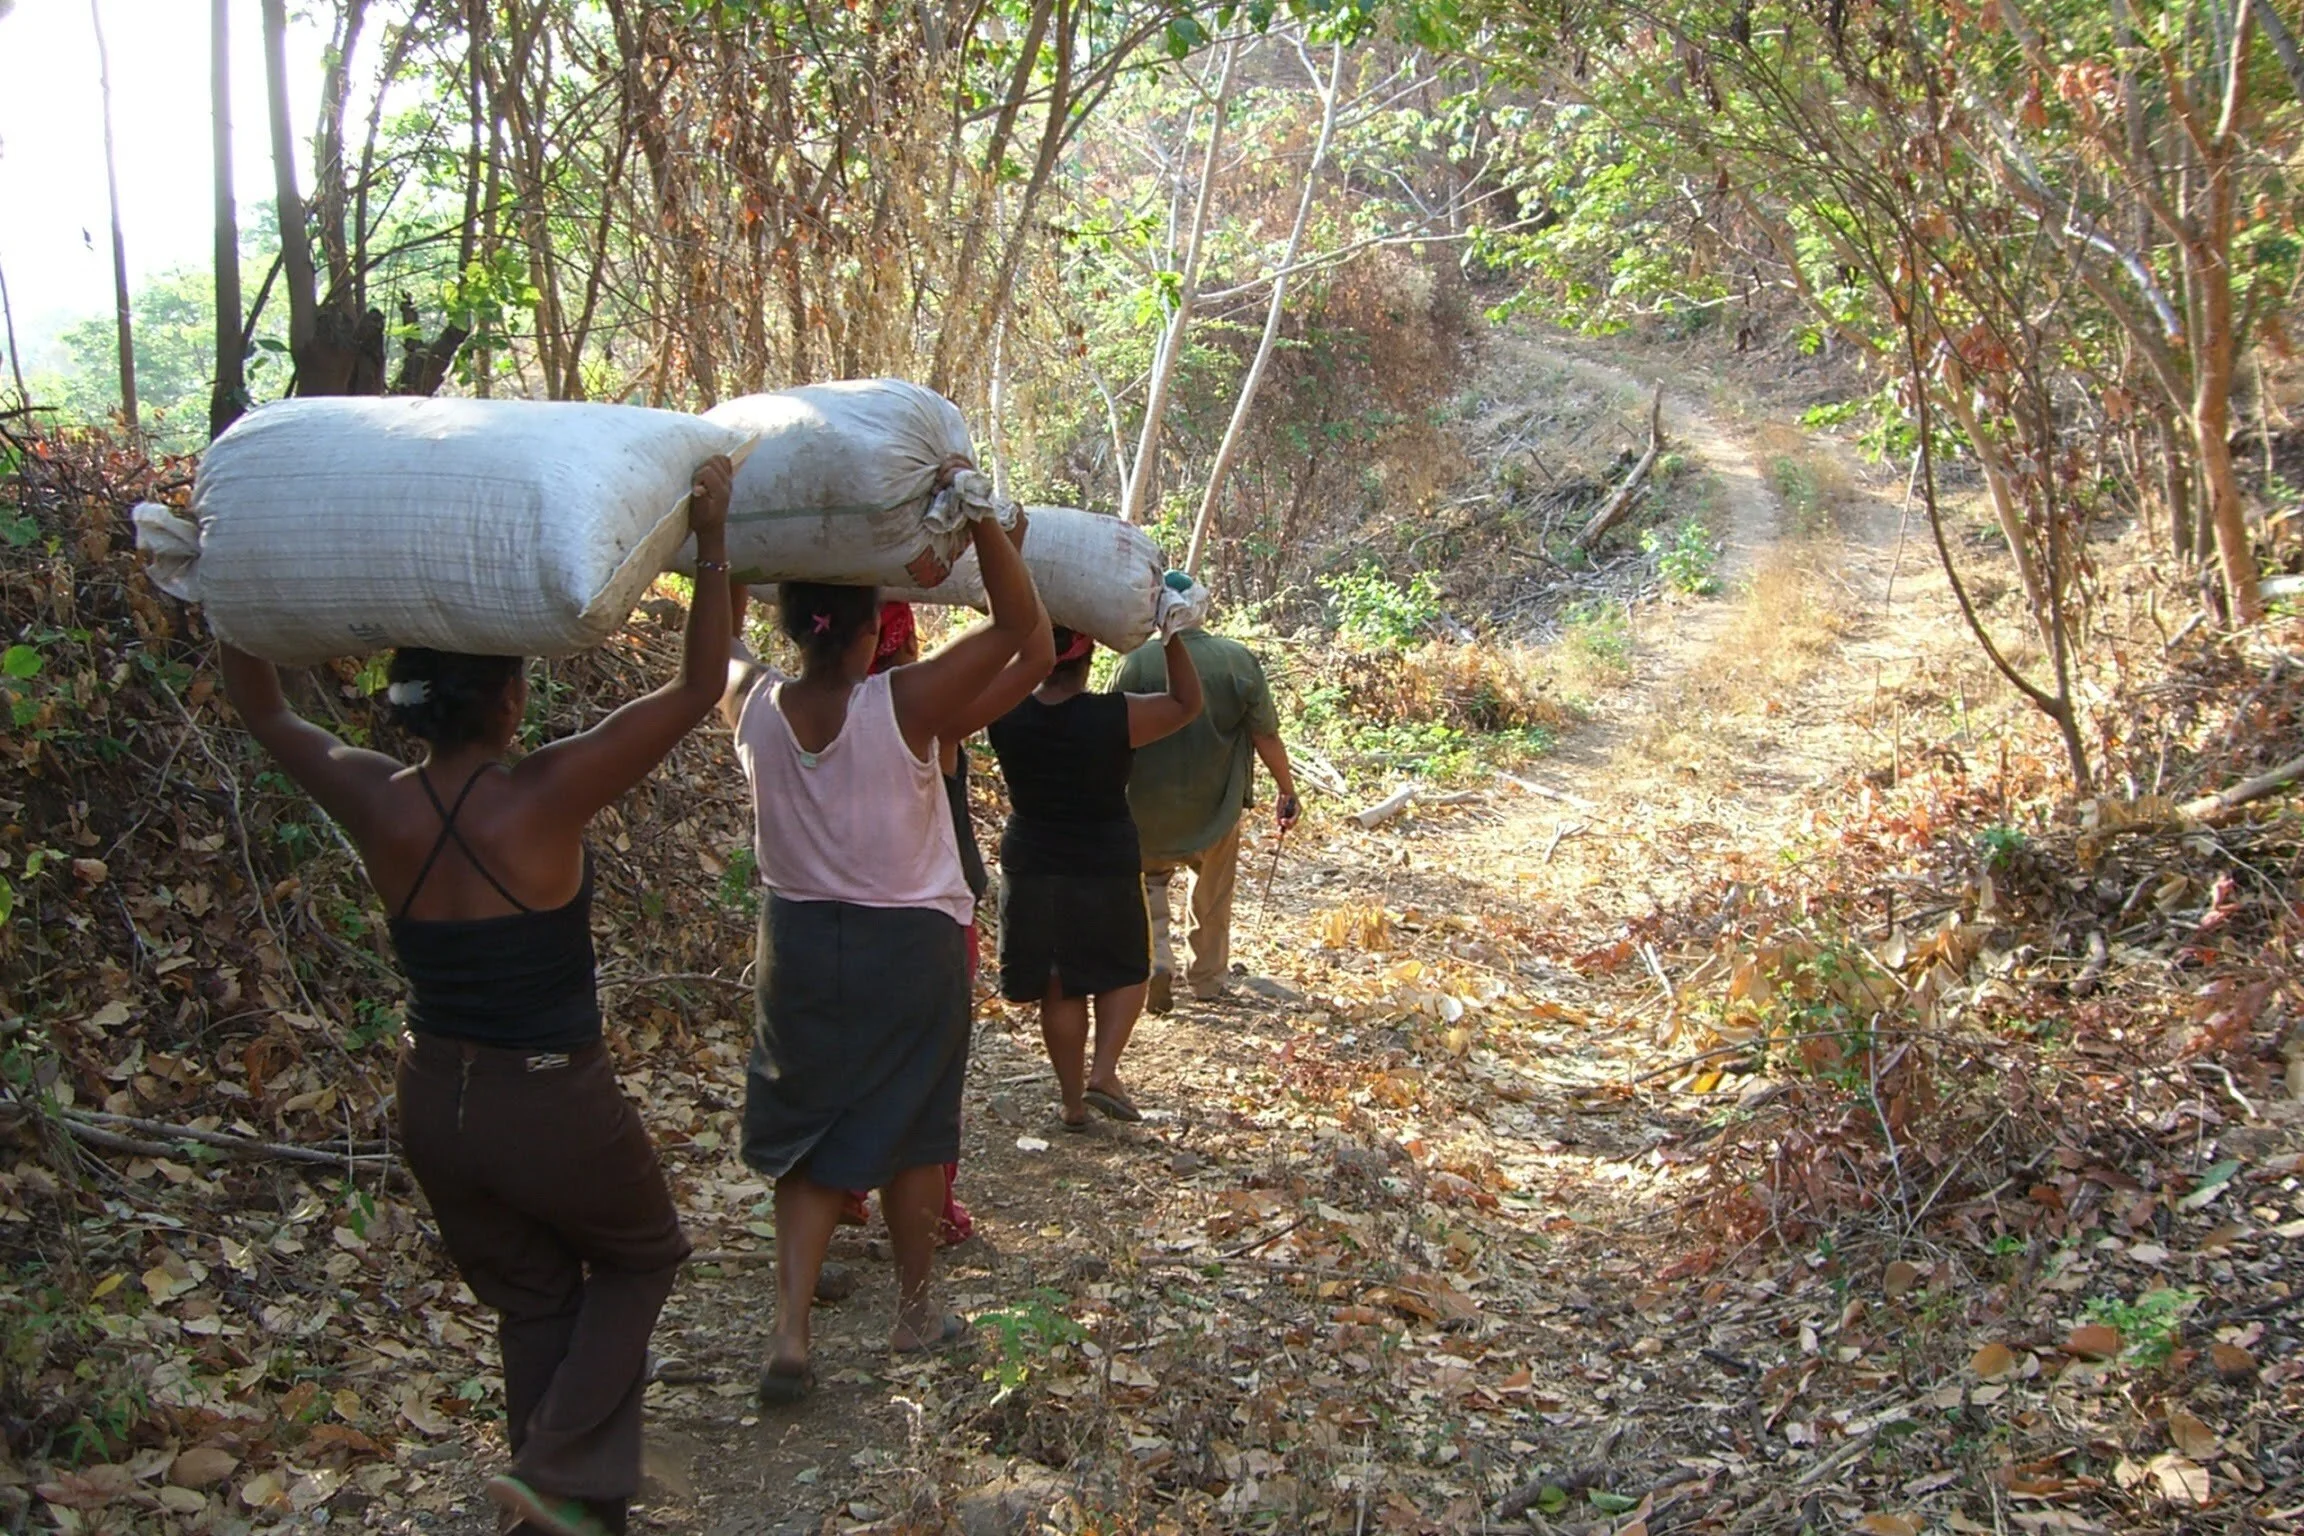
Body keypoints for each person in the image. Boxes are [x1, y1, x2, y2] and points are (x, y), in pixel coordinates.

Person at [214, 459, 739, 1536]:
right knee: (642, 1254)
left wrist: (225, 580)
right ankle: (551, 1469)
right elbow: (697, 692)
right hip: (551, 1099)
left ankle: (556, 1513)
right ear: (508, 699)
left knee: (535, 1299)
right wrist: (713, 536)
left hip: (434, 1104)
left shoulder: (372, 796)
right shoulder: (544, 793)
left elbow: (262, 706)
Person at [722, 509, 1049, 1405]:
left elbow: (716, 644)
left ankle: (790, 1334)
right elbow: (1020, 632)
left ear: (791, 625)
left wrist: (722, 540)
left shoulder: (752, 703)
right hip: (908, 945)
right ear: (872, 630)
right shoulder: (903, 704)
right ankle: (913, 1313)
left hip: (796, 946)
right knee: (914, 1128)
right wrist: (984, 522)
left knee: (805, 1134)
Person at [987, 624, 1201, 1128]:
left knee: (1058, 981)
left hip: (1032, 857)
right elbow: (1186, 703)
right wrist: (1170, 634)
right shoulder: (1115, 715)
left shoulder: (1002, 710)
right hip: (1102, 856)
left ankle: (1072, 1104)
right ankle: (1103, 1072)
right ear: (1088, 662)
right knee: (1125, 967)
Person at [835, 600, 985, 1243]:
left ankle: (843, 1185)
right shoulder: (930, 719)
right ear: (906, 644)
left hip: (839, 911)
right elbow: (1019, 652)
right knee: (927, 1073)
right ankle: (931, 1212)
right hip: (930, 914)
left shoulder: (811, 713)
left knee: (854, 1053)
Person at [1111, 628, 1301, 1012]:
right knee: (1211, 893)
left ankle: (1156, 959)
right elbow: (1265, 735)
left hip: (1146, 807)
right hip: (1216, 806)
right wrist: (1287, 790)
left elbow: (1111, 732)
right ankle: (1207, 980)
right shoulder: (1237, 660)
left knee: (1148, 884)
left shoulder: (1135, 662)